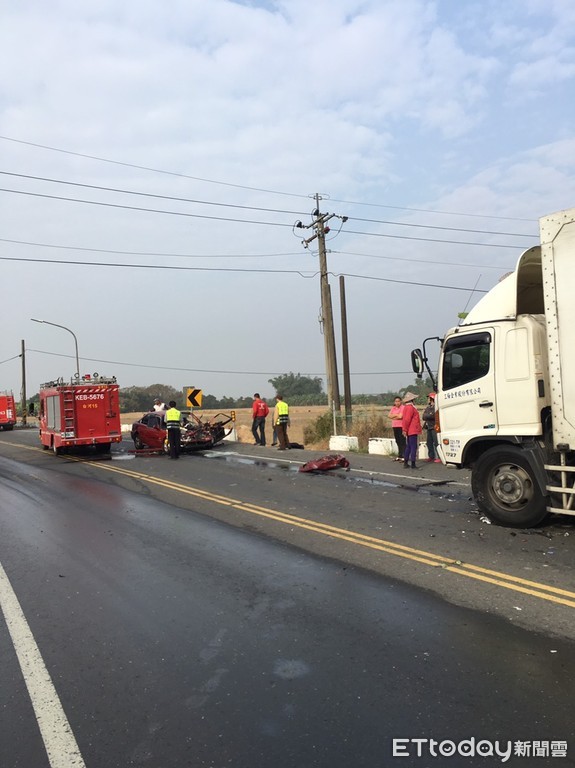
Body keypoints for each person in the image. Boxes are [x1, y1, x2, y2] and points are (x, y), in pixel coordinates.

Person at [401, 391, 422, 469]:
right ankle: (413, 464)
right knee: (413, 447)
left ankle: (406, 463)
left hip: (409, 429)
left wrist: (404, 429)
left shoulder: (406, 407)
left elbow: (405, 420)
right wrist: (405, 429)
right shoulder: (410, 408)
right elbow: (407, 420)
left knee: (409, 446)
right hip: (412, 429)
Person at [423, 392, 441, 462]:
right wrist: (429, 415)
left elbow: (433, 416)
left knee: (436, 442)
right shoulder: (428, 407)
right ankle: (431, 456)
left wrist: (428, 415)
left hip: (434, 427)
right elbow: (423, 417)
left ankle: (439, 457)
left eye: (429, 398)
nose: (428, 400)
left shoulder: (436, 407)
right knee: (429, 443)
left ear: (432, 399)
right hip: (429, 427)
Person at [388, 396, 405, 462]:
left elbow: (401, 416)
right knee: (397, 440)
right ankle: (400, 455)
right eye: (396, 401)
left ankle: (404, 455)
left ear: (401, 401)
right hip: (395, 426)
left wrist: (394, 416)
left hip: (401, 426)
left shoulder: (403, 407)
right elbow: (389, 415)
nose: (397, 403)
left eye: (398, 401)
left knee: (402, 441)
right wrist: (396, 415)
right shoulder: (393, 408)